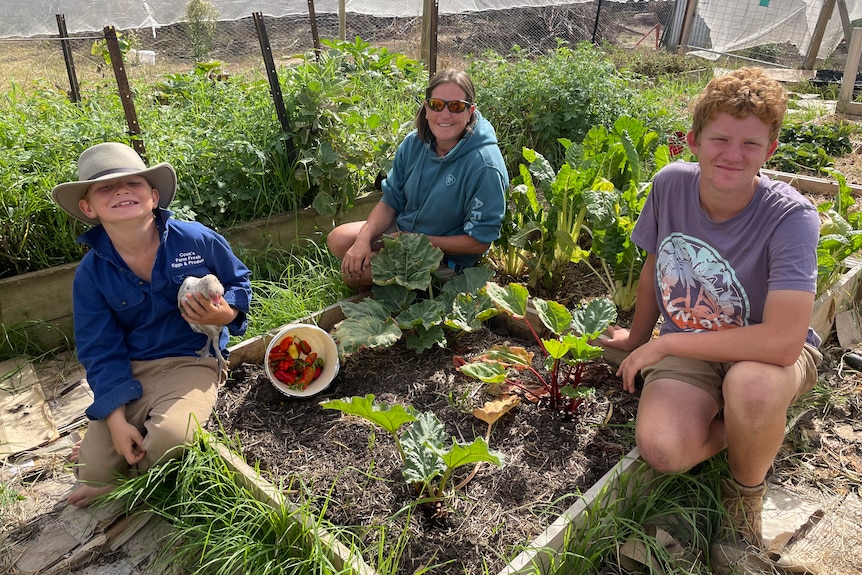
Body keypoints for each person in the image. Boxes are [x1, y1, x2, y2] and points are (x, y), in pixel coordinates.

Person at [599, 68, 822, 573]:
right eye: (720, 138)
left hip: (763, 355)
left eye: (750, 142)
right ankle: (750, 429)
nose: (732, 154)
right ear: (694, 139)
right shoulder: (670, 185)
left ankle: (742, 504)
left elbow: (783, 343)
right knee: (661, 449)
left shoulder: (792, 217)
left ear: (770, 148)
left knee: (753, 389)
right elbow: (658, 264)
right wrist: (636, 337)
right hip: (691, 348)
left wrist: (659, 347)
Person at [52, 142, 252, 507]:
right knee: (94, 470)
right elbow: (100, 349)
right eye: (106, 188)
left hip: (192, 359)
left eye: (134, 183)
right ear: (88, 207)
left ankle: (129, 480)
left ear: (154, 195)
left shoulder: (195, 239)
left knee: (169, 441)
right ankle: (112, 450)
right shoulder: (91, 275)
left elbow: (239, 282)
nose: (122, 191)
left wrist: (225, 315)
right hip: (133, 371)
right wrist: (114, 419)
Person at [326, 69, 508, 290]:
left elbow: (479, 241)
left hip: (446, 254)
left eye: (456, 106)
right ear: (426, 107)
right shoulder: (414, 144)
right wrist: (364, 240)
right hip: (406, 233)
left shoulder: (484, 165)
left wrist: (419, 240)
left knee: (356, 275)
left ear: (470, 111)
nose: (445, 114)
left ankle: (415, 293)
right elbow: (390, 201)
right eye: (437, 105)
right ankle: (395, 275)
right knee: (339, 240)